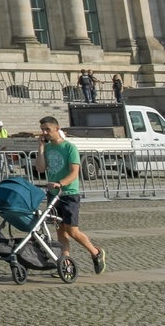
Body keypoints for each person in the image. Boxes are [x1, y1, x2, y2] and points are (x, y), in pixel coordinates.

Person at [37, 116, 107, 273]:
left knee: (72, 230)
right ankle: (65, 264)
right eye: (42, 130)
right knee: (60, 230)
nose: (44, 132)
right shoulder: (48, 148)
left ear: (56, 128)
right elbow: (41, 169)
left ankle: (96, 253)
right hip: (53, 195)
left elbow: (74, 172)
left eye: (47, 129)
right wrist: (41, 149)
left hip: (69, 194)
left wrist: (61, 183)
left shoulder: (69, 148)